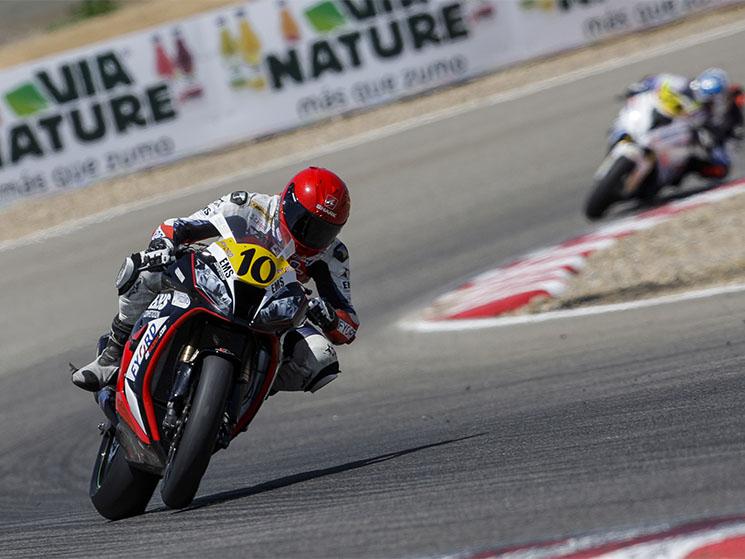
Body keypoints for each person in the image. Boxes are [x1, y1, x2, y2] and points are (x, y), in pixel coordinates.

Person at [72, 166, 359, 395]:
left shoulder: (332, 255)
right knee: (141, 268)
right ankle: (113, 353)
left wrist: (330, 317)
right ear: (287, 201)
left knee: (322, 358)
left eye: (323, 230)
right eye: (303, 221)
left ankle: (251, 389)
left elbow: (348, 325)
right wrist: (164, 245)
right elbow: (177, 226)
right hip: (215, 281)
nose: (311, 234)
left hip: (274, 313)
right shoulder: (249, 206)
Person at [624, 68, 743, 180]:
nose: (706, 104)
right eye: (705, 101)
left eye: (710, 102)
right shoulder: (684, 85)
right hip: (667, 122)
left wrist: (713, 141)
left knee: (721, 168)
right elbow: (656, 80)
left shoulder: (724, 115)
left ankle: (679, 172)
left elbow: (724, 143)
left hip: (687, 138)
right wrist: (641, 87)